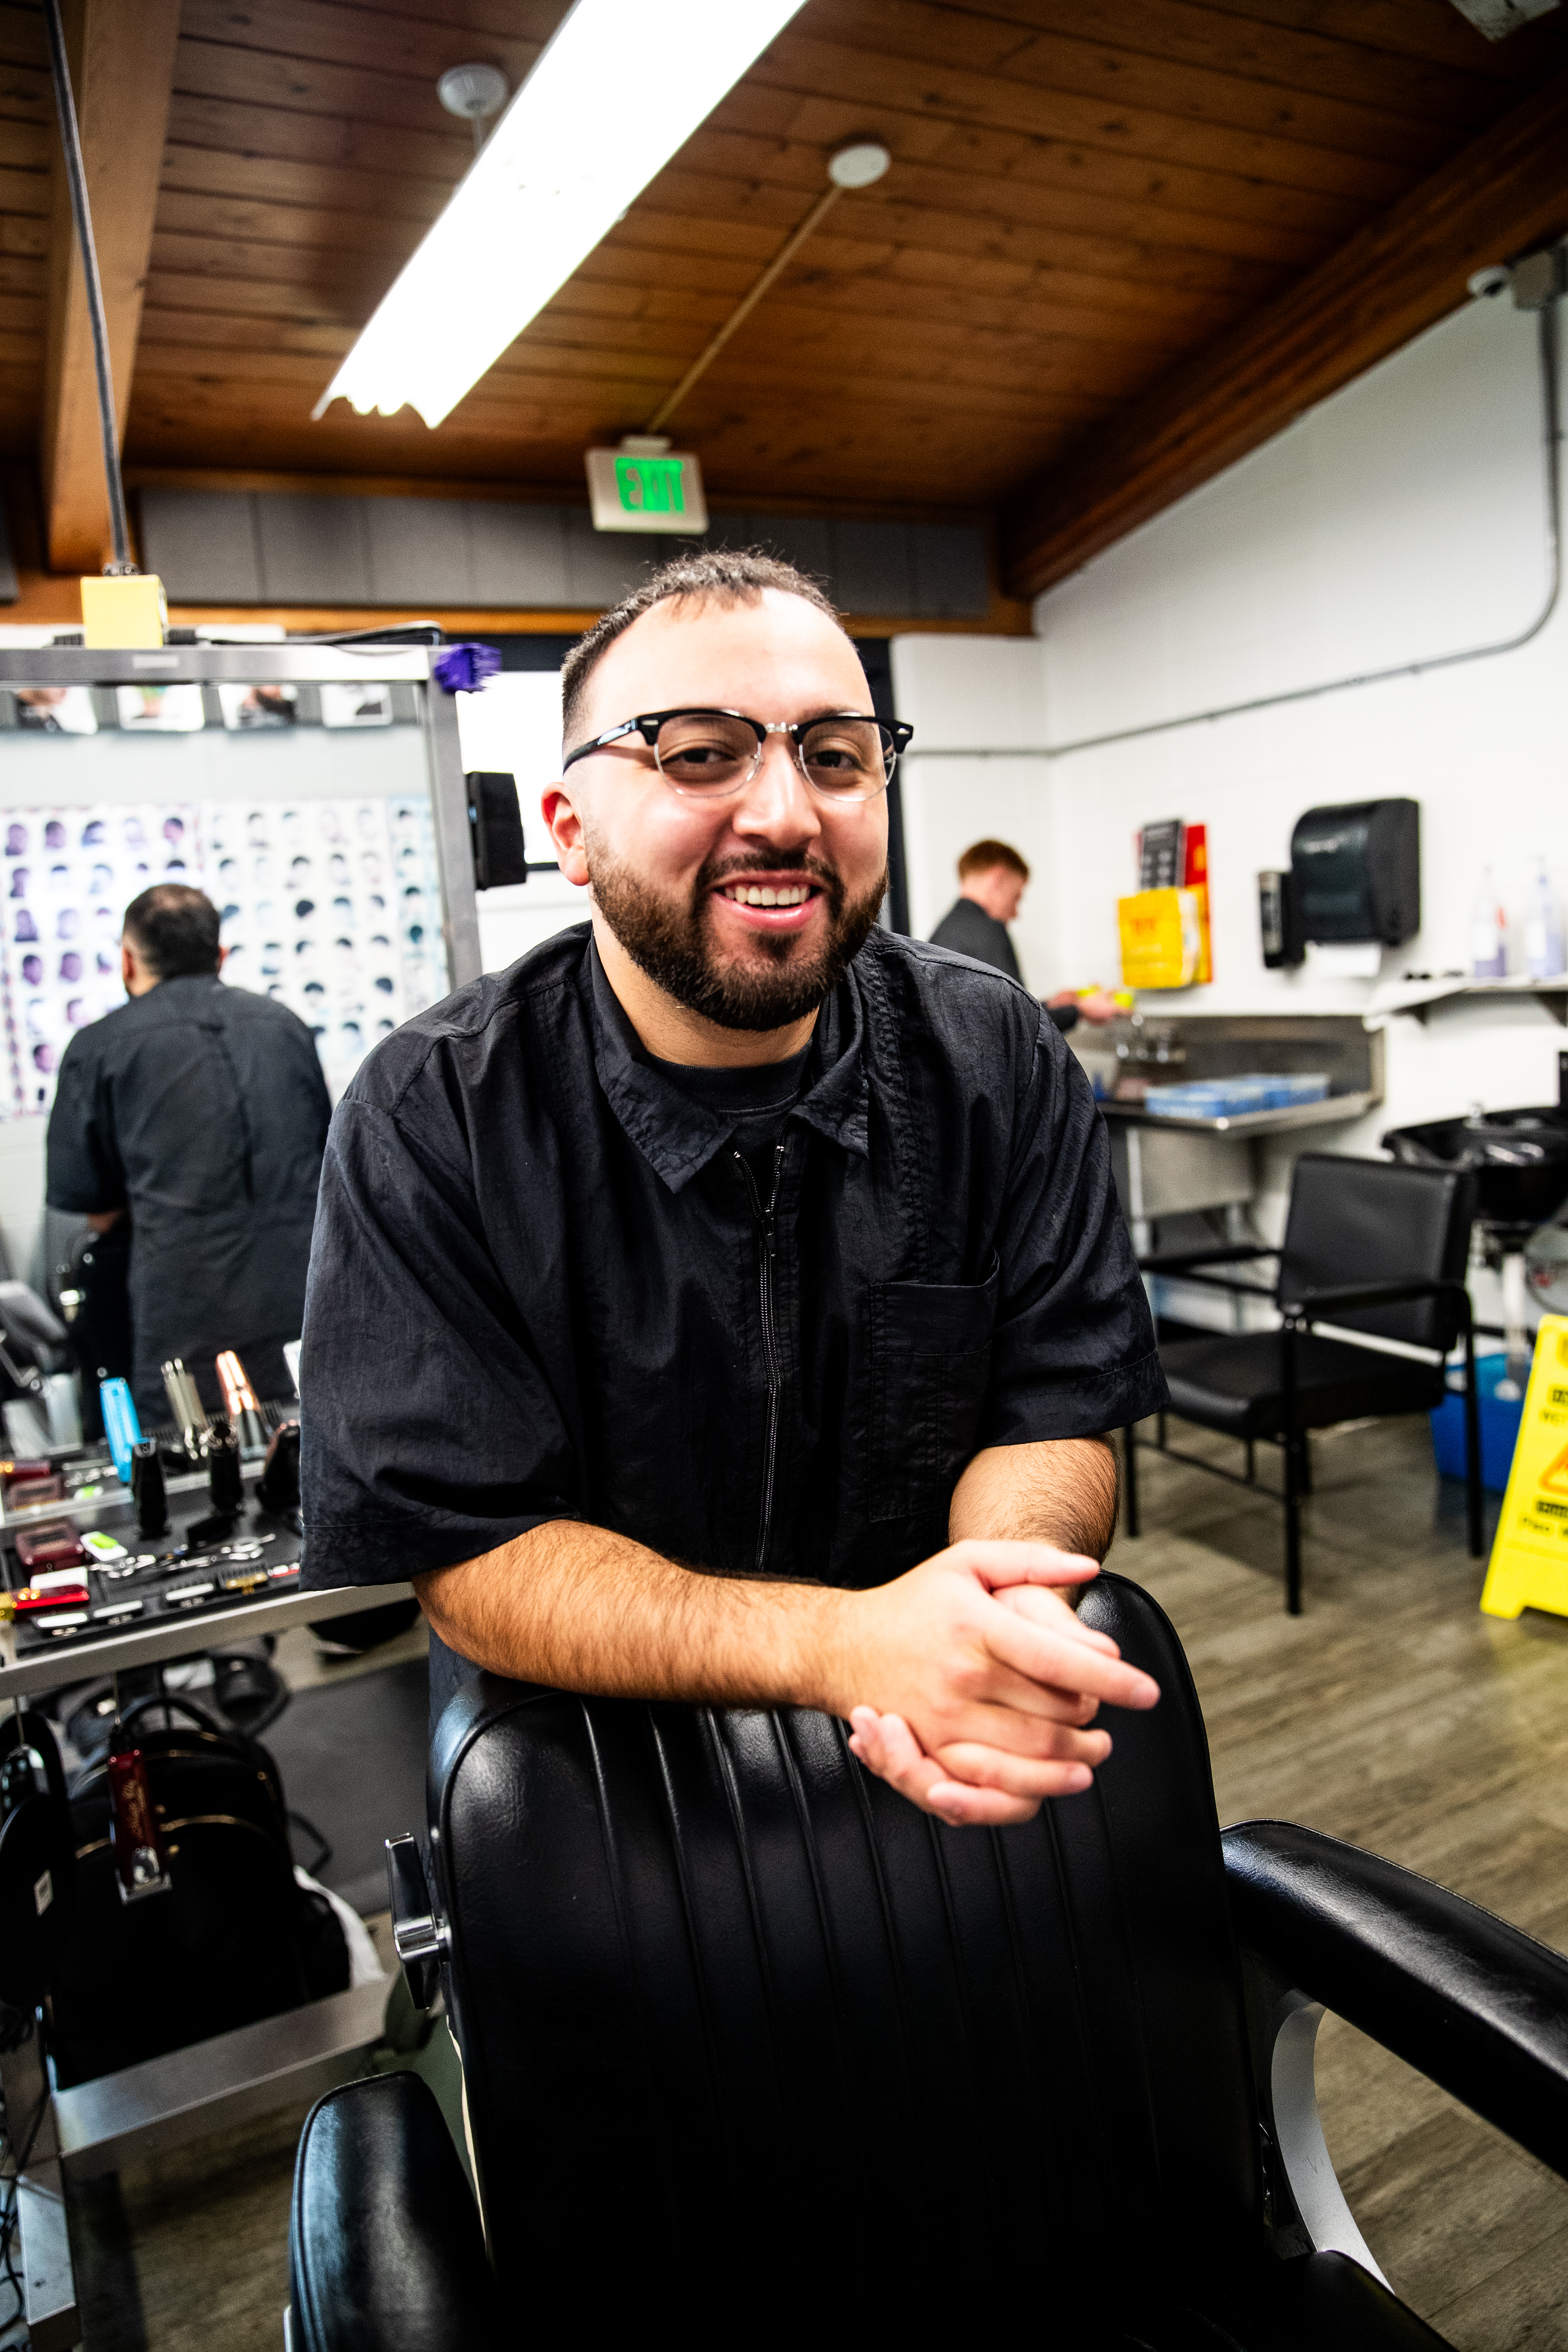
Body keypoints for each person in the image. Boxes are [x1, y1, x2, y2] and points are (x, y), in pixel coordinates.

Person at [301, 551, 1167, 1829]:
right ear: (571, 833)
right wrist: (839, 1644)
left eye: (833, 755)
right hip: (590, 1810)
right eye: (698, 753)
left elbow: (1055, 1401)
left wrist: (1001, 1603)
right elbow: (471, 1549)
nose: (784, 814)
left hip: (941, 1763)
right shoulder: (437, 1116)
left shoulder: (993, 1060)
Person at [46, 884, 331, 1420]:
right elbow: (326, 1159)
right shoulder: (284, 1025)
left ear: (128, 962)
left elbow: (98, 1210)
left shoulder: (98, 1049)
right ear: (219, 956)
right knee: (321, 1455)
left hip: (186, 1325)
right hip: (310, 1305)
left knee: (200, 1478)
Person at [930, 839, 1121, 1032]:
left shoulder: (944, 931)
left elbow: (993, 1015)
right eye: (1016, 898)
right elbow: (1020, 1026)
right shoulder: (987, 930)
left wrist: (1053, 1005)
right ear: (998, 878)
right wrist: (1080, 1010)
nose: (1016, 913)